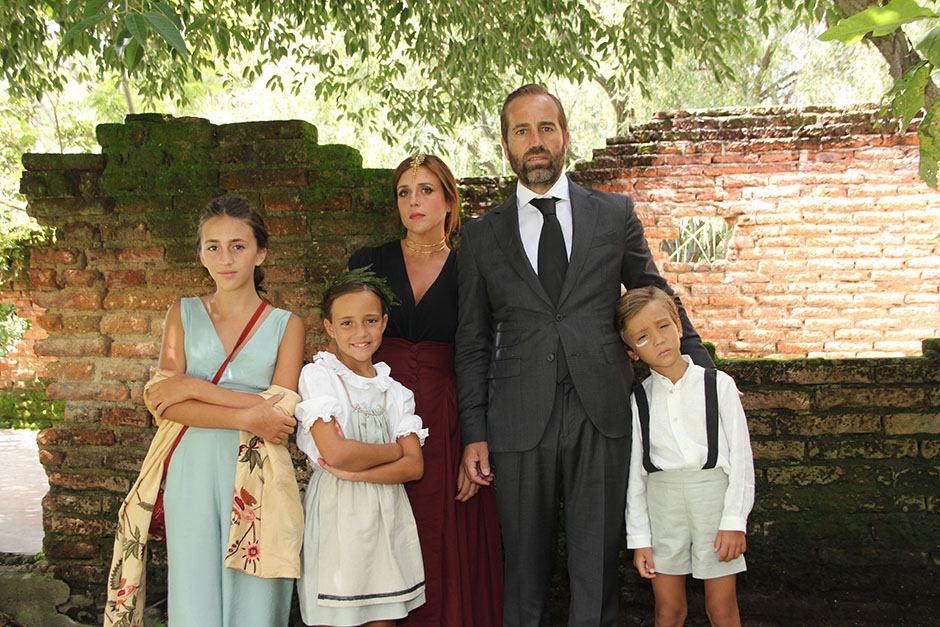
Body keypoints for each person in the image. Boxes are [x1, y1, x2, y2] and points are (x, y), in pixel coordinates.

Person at [455, 83, 715, 627]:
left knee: (597, 573)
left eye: (546, 128)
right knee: (522, 574)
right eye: (521, 130)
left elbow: (653, 294)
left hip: (602, 412)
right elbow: (473, 342)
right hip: (516, 420)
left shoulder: (613, 214)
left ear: (566, 136)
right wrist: (474, 431)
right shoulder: (480, 237)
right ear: (505, 144)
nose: (535, 142)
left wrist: (703, 377)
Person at [104, 196, 306, 627]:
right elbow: (163, 400)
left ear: (260, 252)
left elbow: (281, 410)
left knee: (255, 592)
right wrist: (245, 410)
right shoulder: (182, 312)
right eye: (212, 246)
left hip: (255, 469)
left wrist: (191, 389)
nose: (225, 258)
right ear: (200, 254)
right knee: (193, 591)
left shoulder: (286, 324)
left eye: (238, 245)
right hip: (190, 465)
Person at [348, 153, 503, 626]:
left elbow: (482, 354)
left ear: (450, 201)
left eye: (426, 190)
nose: (413, 201)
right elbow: (345, 338)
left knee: (439, 534)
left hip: (445, 417)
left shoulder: (471, 268)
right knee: (376, 533)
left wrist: (474, 440)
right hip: (375, 414)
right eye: (404, 192)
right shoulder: (368, 261)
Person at [295, 267, 428, 627]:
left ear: (384, 322)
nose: (360, 332)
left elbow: (414, 467)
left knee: (380, 617)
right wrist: (393, 450)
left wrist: (359, 458)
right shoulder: (319, 376)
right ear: (329, 327)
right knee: (335, 613)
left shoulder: (397, 393)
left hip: (386, 512)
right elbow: (336, 455)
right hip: (336, 509)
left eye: (370, 320)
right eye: (347, 323)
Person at [618, 286, 754, 627]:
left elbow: (741, 460)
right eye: (643, 337)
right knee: (669, 611)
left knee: (721, 609)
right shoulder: (638, 400)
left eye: (663, 326)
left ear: (679, 326)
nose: (659, 340)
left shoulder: (718, 385)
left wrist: (734, 520)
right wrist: (640, 540)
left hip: (713, 501)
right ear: (632, 351)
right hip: (662, 507)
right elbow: (636, 478)